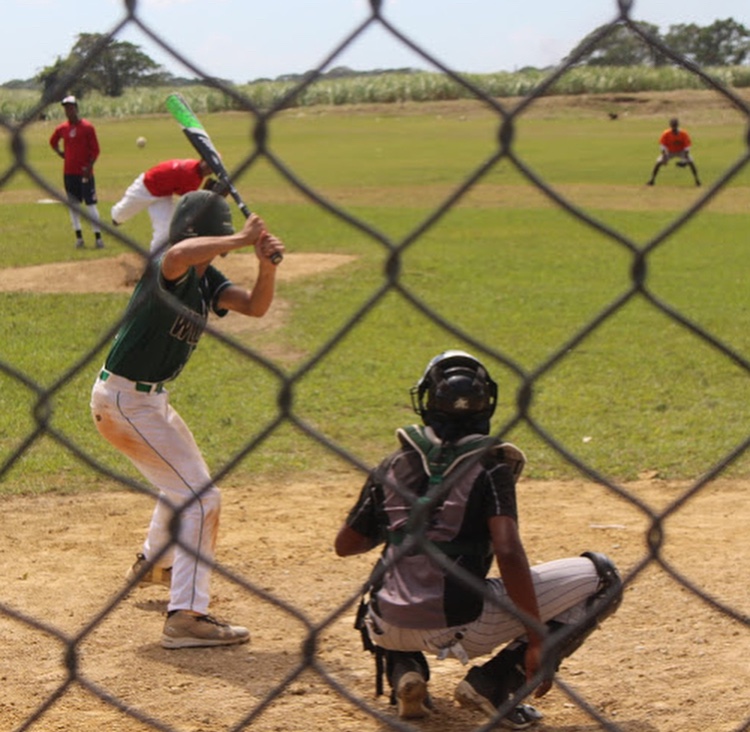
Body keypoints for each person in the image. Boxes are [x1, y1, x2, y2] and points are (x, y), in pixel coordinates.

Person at [335, 350, 622, 729]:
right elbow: (506, 549)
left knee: (394, 565)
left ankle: (404, 668)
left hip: (386, 623)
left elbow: (346, 545)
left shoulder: (393, 464)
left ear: (425, 400)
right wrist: (537, 636)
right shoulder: (490, 466)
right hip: (462, 625)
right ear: (486, 404)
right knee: (604, 577)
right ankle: (496, 682)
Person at [90, 189, 285, 649]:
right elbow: (178, 252)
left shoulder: (207, 278)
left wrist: (266, 265)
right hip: (124, 402)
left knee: (184, 483)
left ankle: (154, 561)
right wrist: (241, 238)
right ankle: (186, 616)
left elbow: (255, 305)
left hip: (148, 404)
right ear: (213, 236)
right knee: (201, 497)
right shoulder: (172, 267)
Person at [111, 158, 213, 252]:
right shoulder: (191, 173)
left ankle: (156, 260)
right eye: (207, 165)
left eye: (211, 167)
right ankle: (116, 218)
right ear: (202, 160)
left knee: (165, 229)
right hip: (145, 187)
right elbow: (187, 200)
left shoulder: (195, 170)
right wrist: (205, 194)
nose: (208, 169)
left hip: (163, 195)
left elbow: (186, 195)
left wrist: (201, 193)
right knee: (119, 214)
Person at [49, 95, 104, 249]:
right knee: (73, 205)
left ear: (76, 108)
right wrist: (61, 153)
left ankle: (98, 238)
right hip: (69, 173)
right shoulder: (62, 128)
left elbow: (96, 150)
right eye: (66, 108)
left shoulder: (87, 127)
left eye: (71, 107)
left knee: (90, 205)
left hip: (85, 173)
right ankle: (79, 237)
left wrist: (89, 167)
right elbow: (52, 142)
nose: (68, 110)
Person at [647, 117, 701, 187]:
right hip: (670, 151)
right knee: (658, 163)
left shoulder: (683, 134)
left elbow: (687, 147)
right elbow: (662, 145)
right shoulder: (666, 133)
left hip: (681, 151)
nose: (674, 127)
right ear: (670, 126)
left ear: (678, 125)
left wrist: (685, 160)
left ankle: (697, 180)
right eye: (673, 126)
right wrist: (664, 156)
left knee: (691, 162)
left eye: (675, 125)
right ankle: (652, 180)